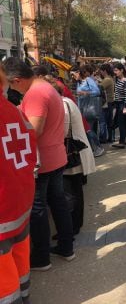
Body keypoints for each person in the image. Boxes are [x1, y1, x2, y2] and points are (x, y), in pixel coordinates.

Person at [4, 58, 75, 271]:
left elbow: (34, 131)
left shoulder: (35, 94)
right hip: (56, 156)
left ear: (17, 80)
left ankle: (42, 257)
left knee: (38, 208)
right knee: (58, 203)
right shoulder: (46, 87)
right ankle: (66, 247)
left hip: (42, 161)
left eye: (10, 84)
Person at [0, 63, 37, 304]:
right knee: (20, 253)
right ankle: (24, 295)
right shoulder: (15, 111)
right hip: (21, 200)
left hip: (2, 207)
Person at [61, 91, 96, 237]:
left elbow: (63, 131)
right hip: (75, 151)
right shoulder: (67, 102)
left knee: (71, 191)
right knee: (75, 190)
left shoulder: (63, 105)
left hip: (72, 153)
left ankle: (73, 225)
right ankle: (75, 224)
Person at [112, 63, 126, 148]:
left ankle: (122, 141)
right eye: (114, 71)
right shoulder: (118, 80)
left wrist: (125, 107)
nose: (115, 72)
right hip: (119, 103)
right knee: (125, 122)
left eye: (116, 70)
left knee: (122, 123)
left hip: (123, 104)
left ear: (121, 70)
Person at [99, 63, 115, 143]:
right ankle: (110, 137)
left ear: (104, 71)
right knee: (109, 121)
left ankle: (104, 138)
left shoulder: (107, 80)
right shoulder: (109, 78)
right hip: (110, 102)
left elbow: (99, 88)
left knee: (103, 121)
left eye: (101, 71)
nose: (100, 73)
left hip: (107, 103)